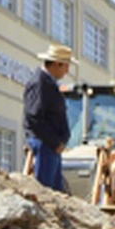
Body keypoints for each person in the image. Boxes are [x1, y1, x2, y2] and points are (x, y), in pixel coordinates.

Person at [23, 44, 76, 192]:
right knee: (45, 192)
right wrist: (54, 142)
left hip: (51, 147)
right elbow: (34, 117)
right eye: (66, 66)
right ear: (57, 64)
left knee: (55, 193)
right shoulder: (40, 83)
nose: (67, 70)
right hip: (45, 144)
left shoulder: (49, 84)